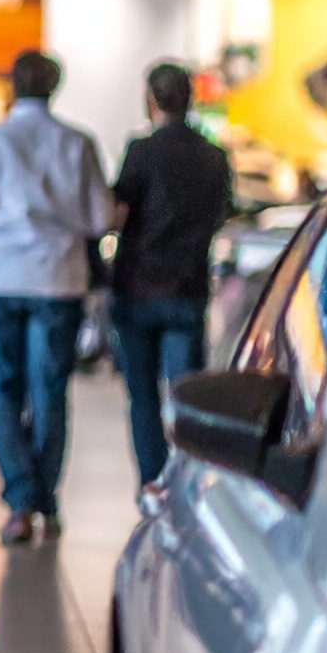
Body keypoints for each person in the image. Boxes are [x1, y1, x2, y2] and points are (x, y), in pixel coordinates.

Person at [0, 49, 113, 545]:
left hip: (1, 279)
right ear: (55, 87)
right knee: (50, 391)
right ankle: (45, 499)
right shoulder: (77, 143)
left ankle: (20, 502)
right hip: (58, 280)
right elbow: (99, 219)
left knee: (4, 391)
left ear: (12, 85)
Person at [110, 62, 234, 486]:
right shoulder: (214, 157)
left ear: (151, 100)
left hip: (137, 287)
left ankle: (152, 482)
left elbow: (117, 214)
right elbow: (222, 215)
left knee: (142, 396)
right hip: (188, 288)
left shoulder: (141, 151)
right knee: (185, 397)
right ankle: (184, 482)